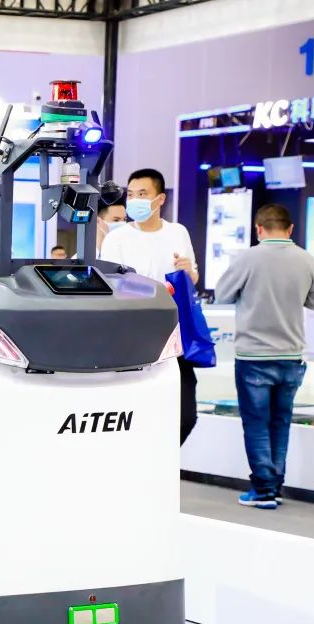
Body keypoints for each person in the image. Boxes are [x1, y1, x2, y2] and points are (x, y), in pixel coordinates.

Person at [214, 204, 314, 510]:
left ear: (259, 229)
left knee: (256, 424)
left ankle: (263, 490)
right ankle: (274, 487)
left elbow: (222, 295)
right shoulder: (307, 259)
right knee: (280, 423)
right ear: (290, 229)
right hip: (291, 355)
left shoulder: (247, 258)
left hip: (254, 355)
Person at [100, 168, 199, 445]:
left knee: (185, 415)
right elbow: (109, 287)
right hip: (133, 336)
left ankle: (161, 457)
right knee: (137, 412)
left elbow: (192, 278)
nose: (135, 201)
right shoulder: (117, 239)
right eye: (131, 194)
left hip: (174, 335)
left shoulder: (178, 232)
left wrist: (188, 271)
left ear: (160, 199)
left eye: (142, 194)